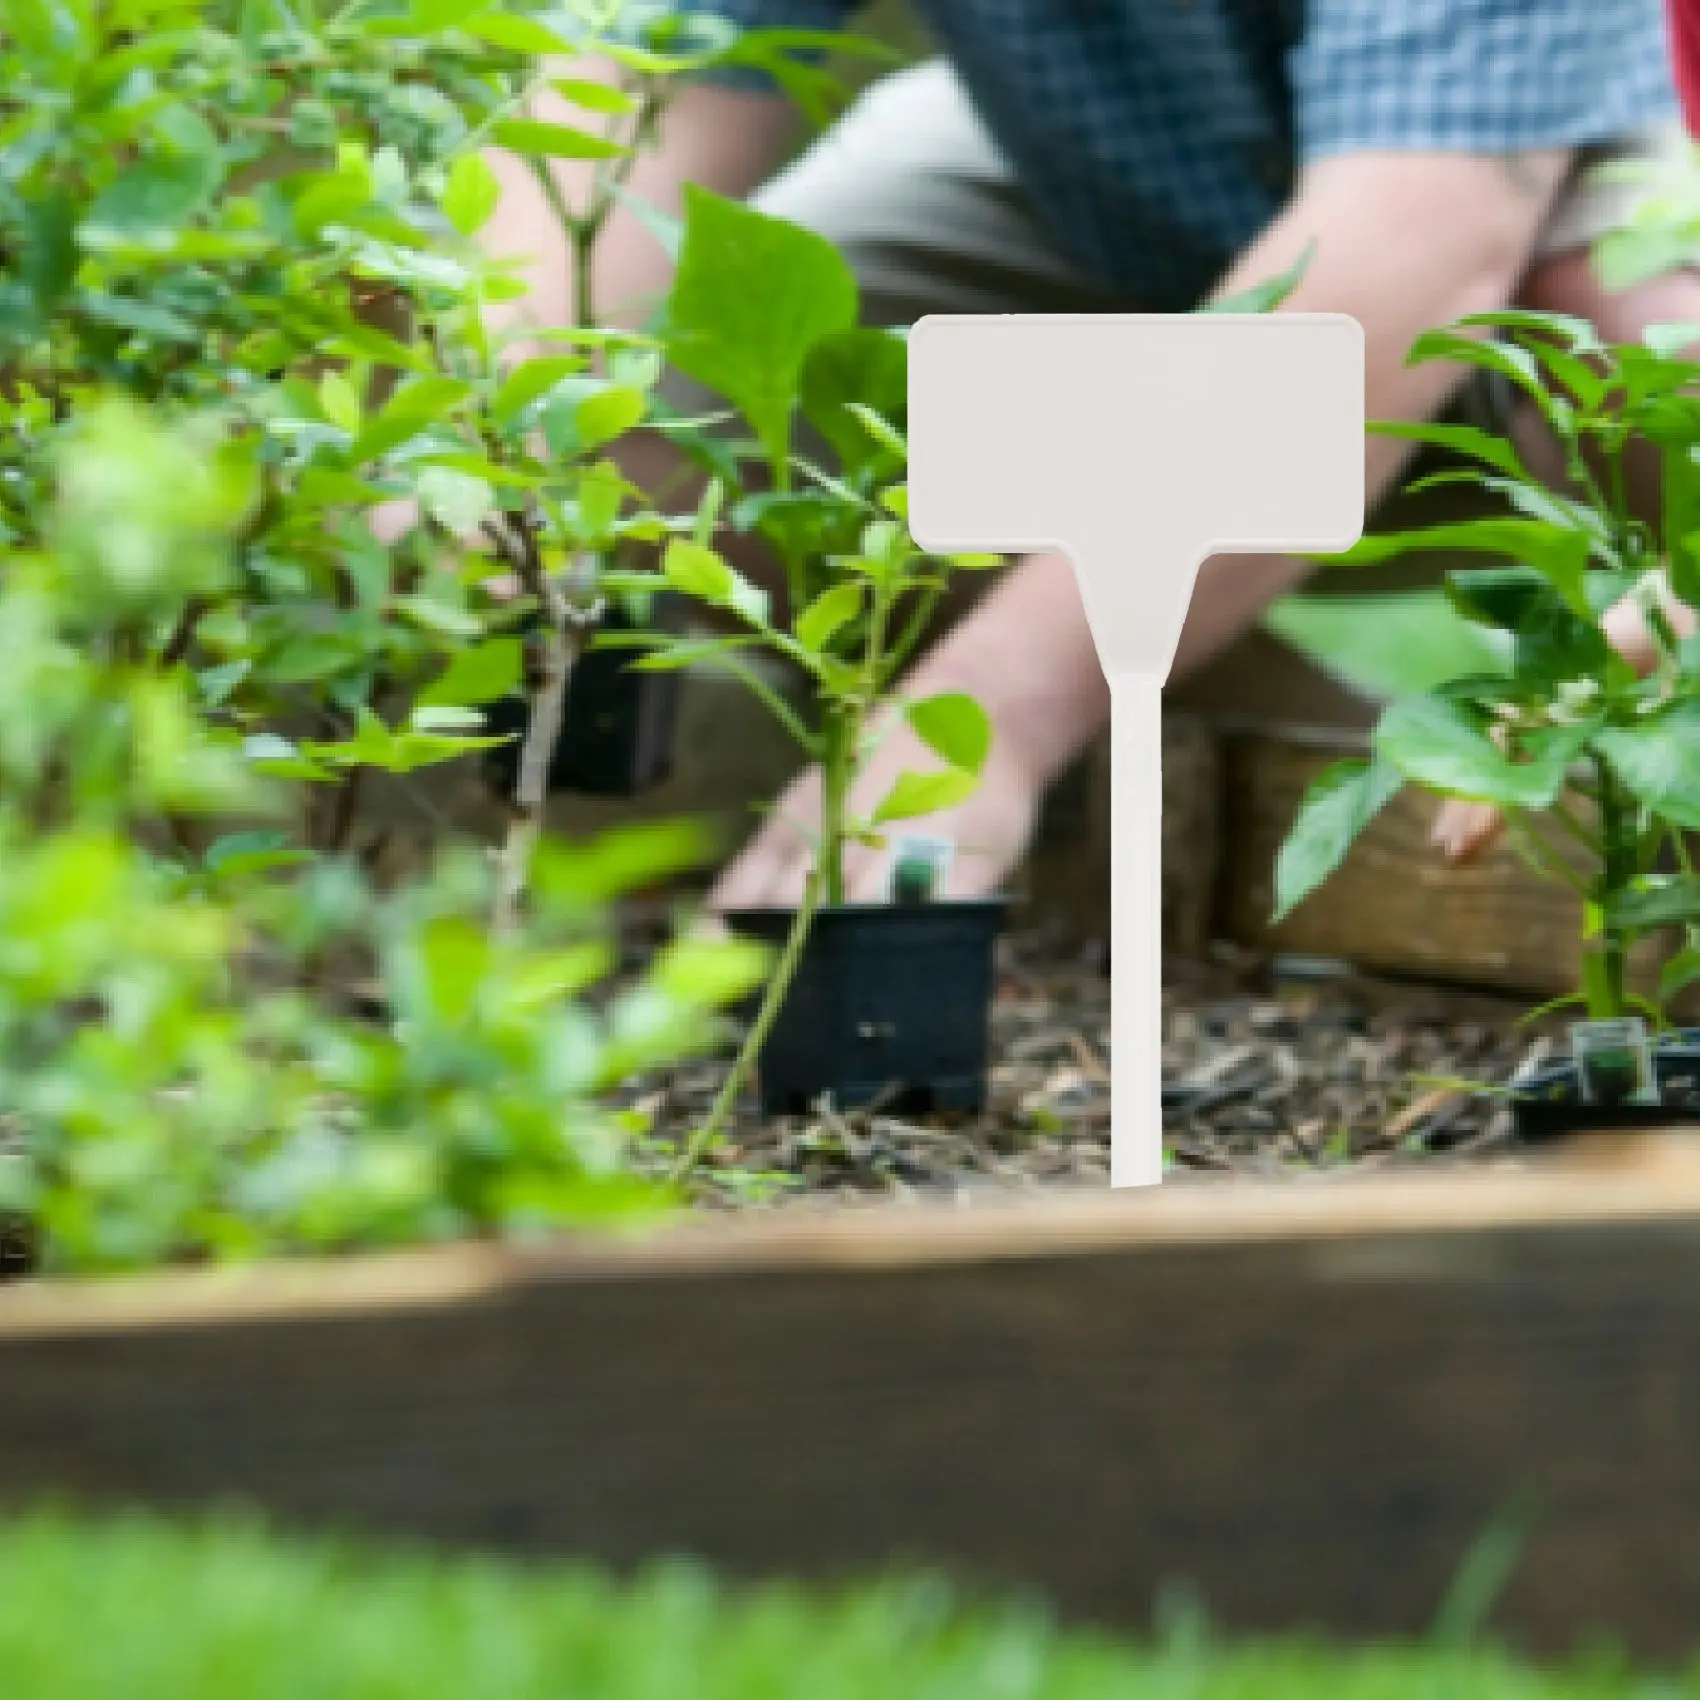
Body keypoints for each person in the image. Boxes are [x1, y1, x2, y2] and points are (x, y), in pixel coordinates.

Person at [481, 0, 1700, 908]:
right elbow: (640, 88)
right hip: (1101, 188)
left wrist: (987, 721)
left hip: (1503, 208)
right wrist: (480, 461)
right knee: (682, 413)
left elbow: (1404, 259)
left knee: (1644, 350)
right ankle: (1148, 649)